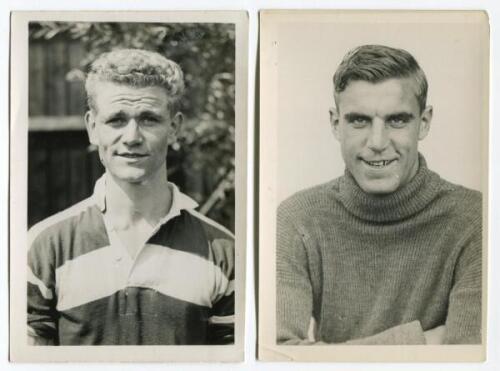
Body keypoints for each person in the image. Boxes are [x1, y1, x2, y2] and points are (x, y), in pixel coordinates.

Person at [277, 44, 482, 345]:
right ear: (336, 124)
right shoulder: (297, 219)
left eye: (397, 120)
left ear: (423, 123)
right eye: (359, 120)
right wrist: (421, 340)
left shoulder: (476, 219)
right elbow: (279, 358)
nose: (377, 141)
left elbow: (470, 358)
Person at [27, 49, 235, 345]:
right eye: (116, 120)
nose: (132, 136)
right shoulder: (45, 247)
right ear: (92, 127)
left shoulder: (224, 252)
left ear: (174, 128)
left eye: (149, 119)